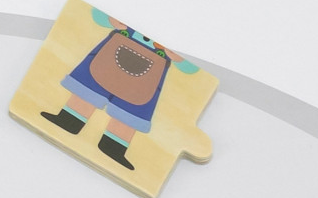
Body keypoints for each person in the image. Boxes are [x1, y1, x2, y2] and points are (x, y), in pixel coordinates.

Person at [40, 9, 200, 169]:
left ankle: (113, 147)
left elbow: (192, 68)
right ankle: (68, 121)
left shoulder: (190, 34)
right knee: (89, 89)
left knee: (131, 108)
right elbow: (97, 15)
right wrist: (110, 20)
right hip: (108, 57)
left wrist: (179, 59)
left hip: (148, 76)